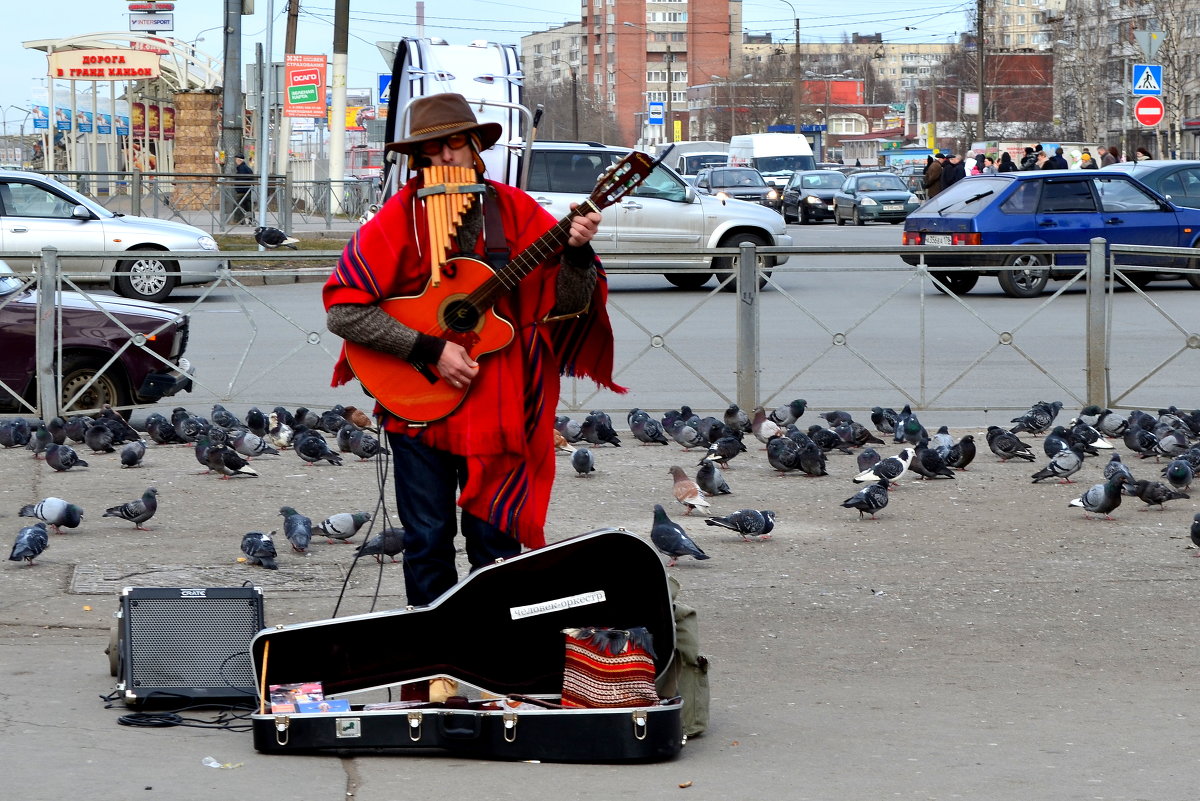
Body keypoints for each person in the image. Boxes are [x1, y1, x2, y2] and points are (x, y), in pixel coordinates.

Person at [322, 93, 622, 608]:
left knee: (496, 545)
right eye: (430, 149)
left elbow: (567, 306)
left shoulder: (516, 211)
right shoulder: (397, 221)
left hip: (502, 407)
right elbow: (343, 312)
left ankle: (492, 648)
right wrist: (429, 348)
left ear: (475, 148)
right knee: (426, 540)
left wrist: (575, 253)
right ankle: (431, 653)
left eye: (454, 143)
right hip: (419, 406)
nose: (443, 157)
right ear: (418, 159)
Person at [233, 154, 254, 224]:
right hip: (247, 190)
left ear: (239, 160)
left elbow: (240, 179)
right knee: (248, 207)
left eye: (236, 160)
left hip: (241, 191)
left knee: (239, 206)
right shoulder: (246, 168)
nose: (235, 161)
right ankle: (252, 220)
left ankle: (241, 221)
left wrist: (238, 187)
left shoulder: (241, 169)